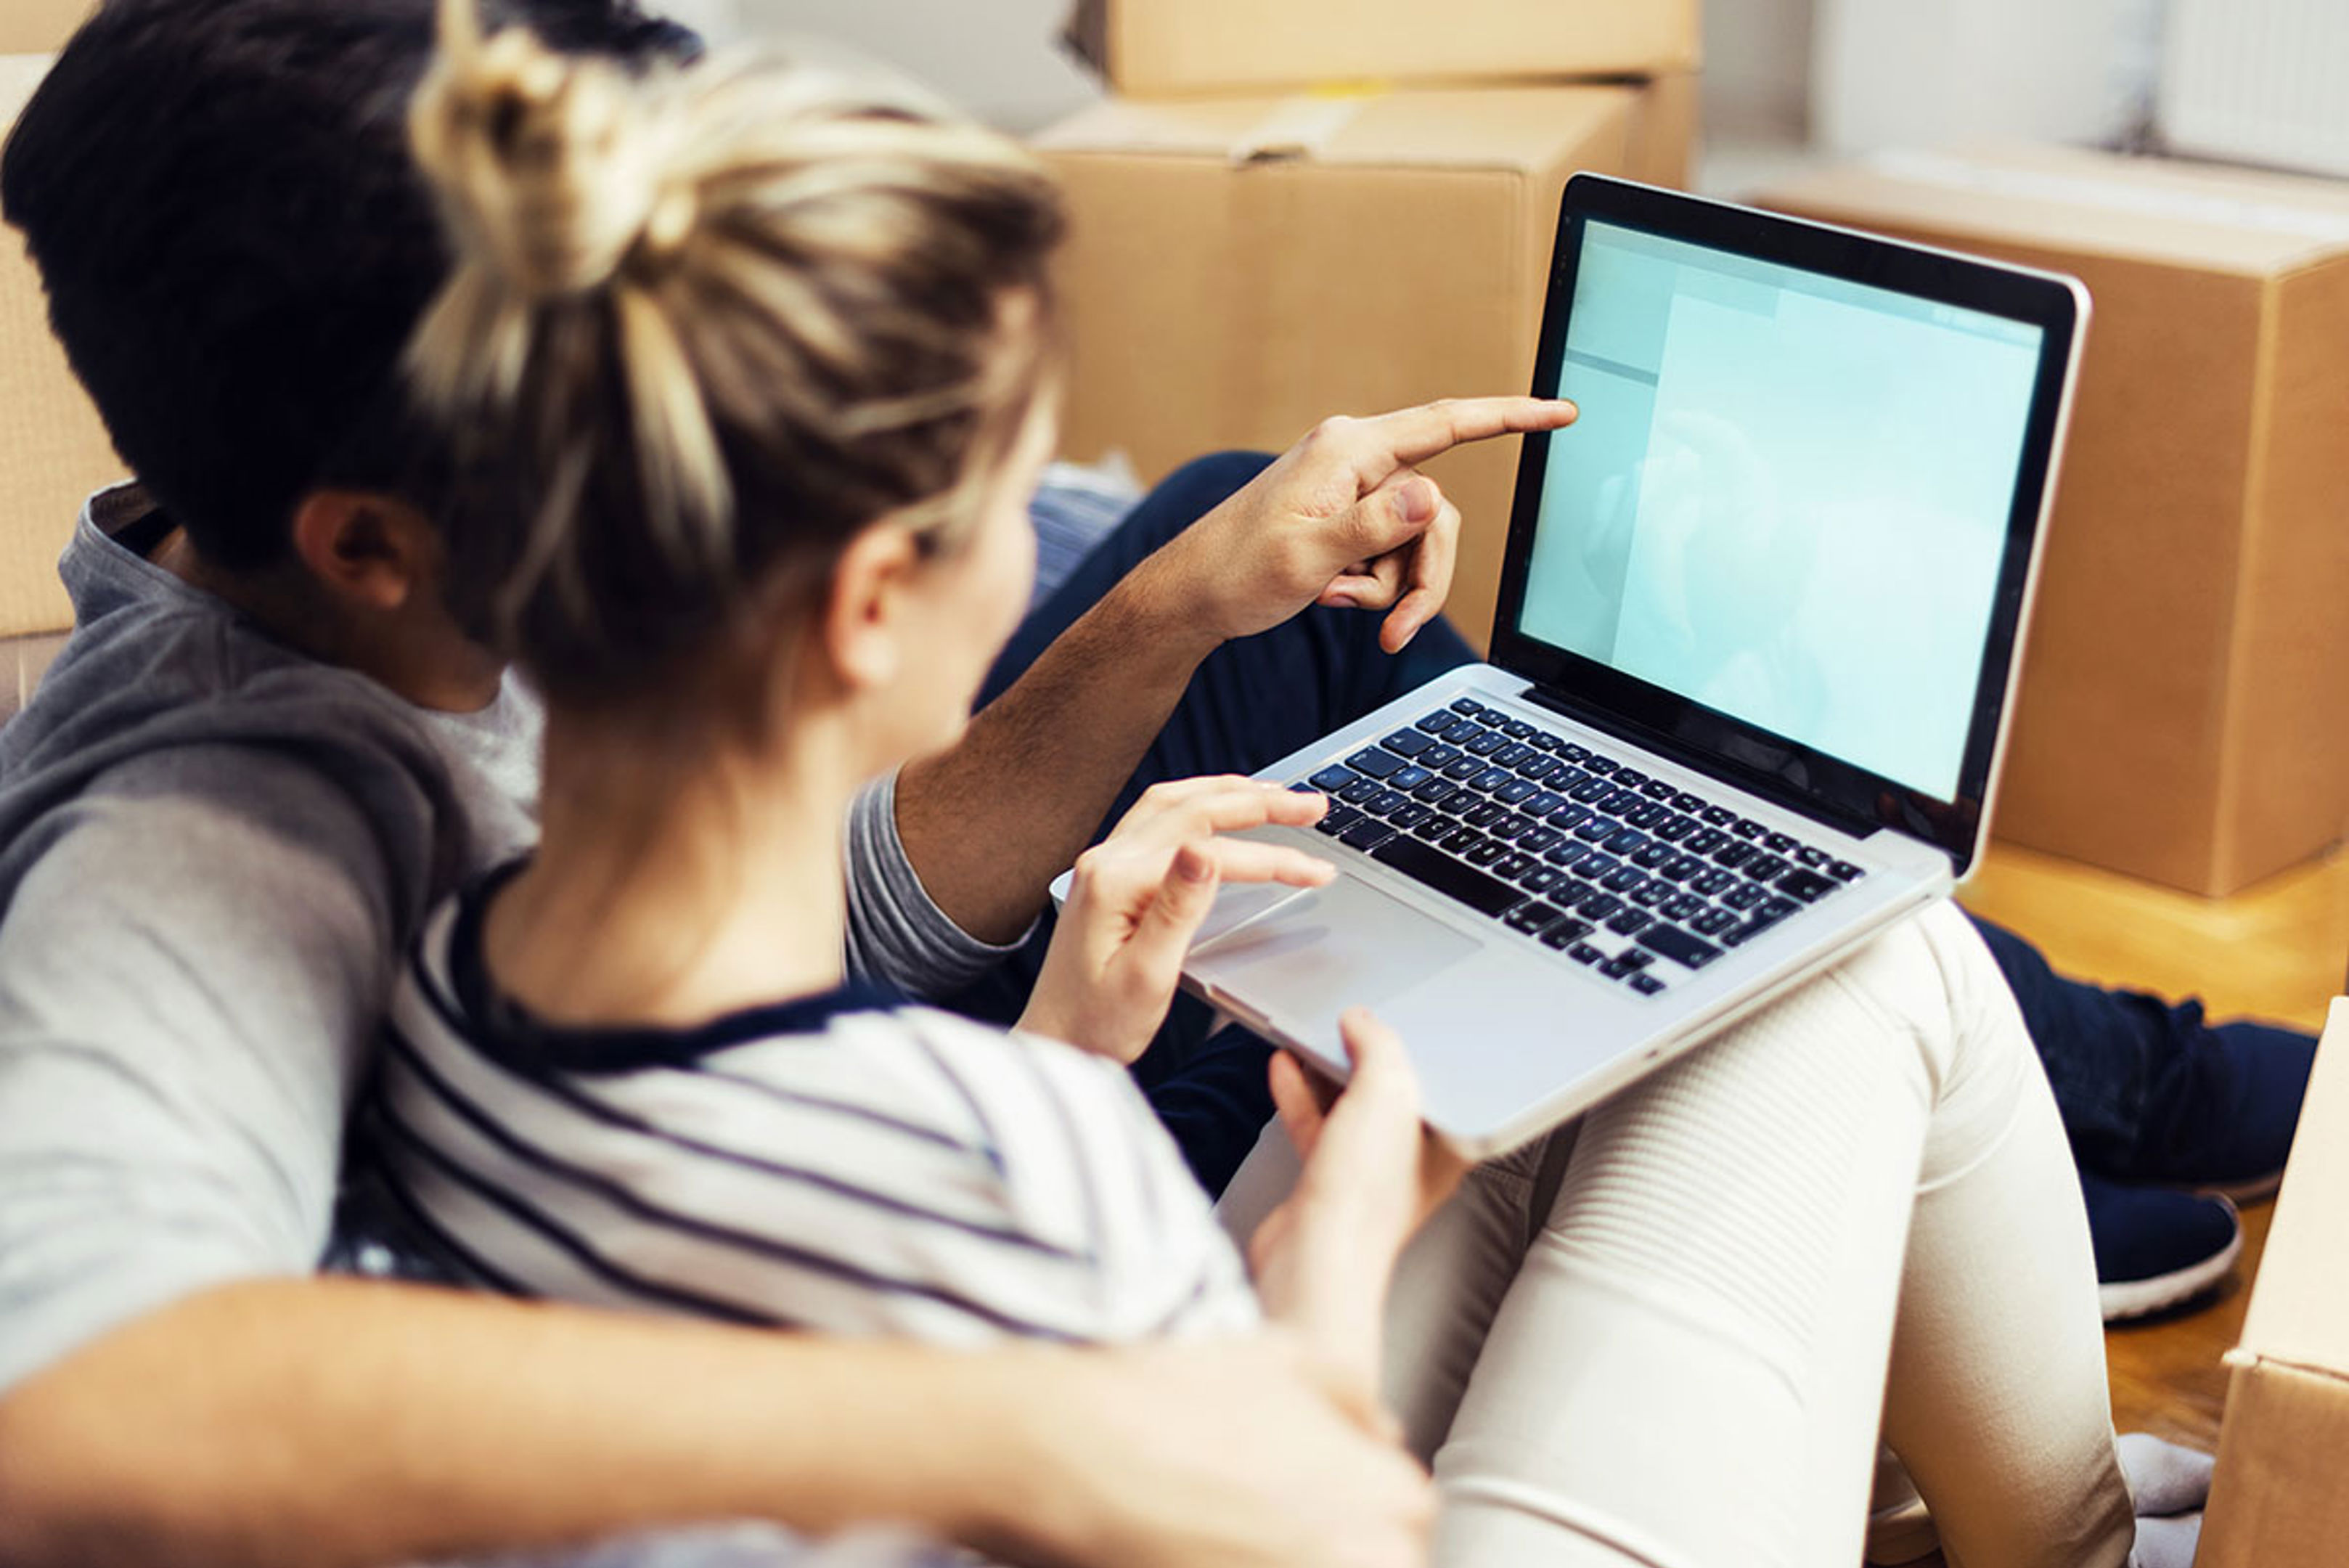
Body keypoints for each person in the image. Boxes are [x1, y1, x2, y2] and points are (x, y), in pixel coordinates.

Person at [0, 0, 2263, 1562]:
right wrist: (1069, 1409)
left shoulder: (504, 747)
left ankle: (2056, 1268)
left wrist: (1157, 630)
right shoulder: (203, 831)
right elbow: (60, 1420)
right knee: (1839, 980)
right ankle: (2079, 1288)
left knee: (1245, 577)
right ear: (383, 536)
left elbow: (787, 948)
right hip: (988, 1289)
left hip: (902, 1158)